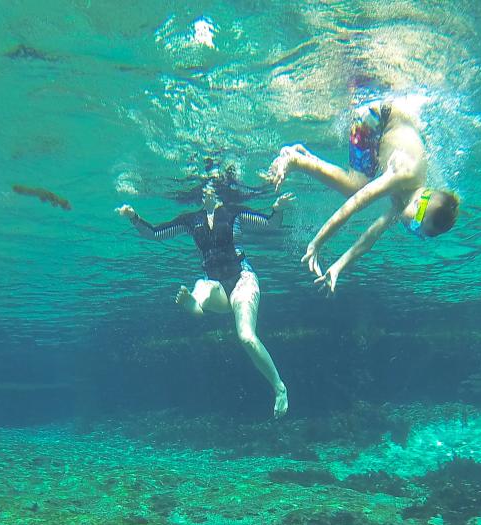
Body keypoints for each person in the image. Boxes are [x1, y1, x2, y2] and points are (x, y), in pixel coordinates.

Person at [117, 184, 292, 418]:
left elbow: (271, 223)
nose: (207, 191)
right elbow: (156, 233)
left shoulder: (235, 212)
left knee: (247, 338)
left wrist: (277, 208)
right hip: (216, 287)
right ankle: (195, 305)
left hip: (242, 279)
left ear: (219, 188)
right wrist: (133, 217)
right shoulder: (191, 220)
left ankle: (279, 387)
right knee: (201, 286)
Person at [266, 97, 459, 293]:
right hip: (375, 117)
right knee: (355, 187)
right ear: (420, 204)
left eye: (418, 233)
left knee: (360, 179)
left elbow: (371, 235)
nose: (411, 228)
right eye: (417, 225)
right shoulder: (405, 174)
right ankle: (295, 160)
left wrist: (338, 266)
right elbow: (354, 204)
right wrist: (317, 243)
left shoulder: (407, 200)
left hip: (384, 126)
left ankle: (307, 159)